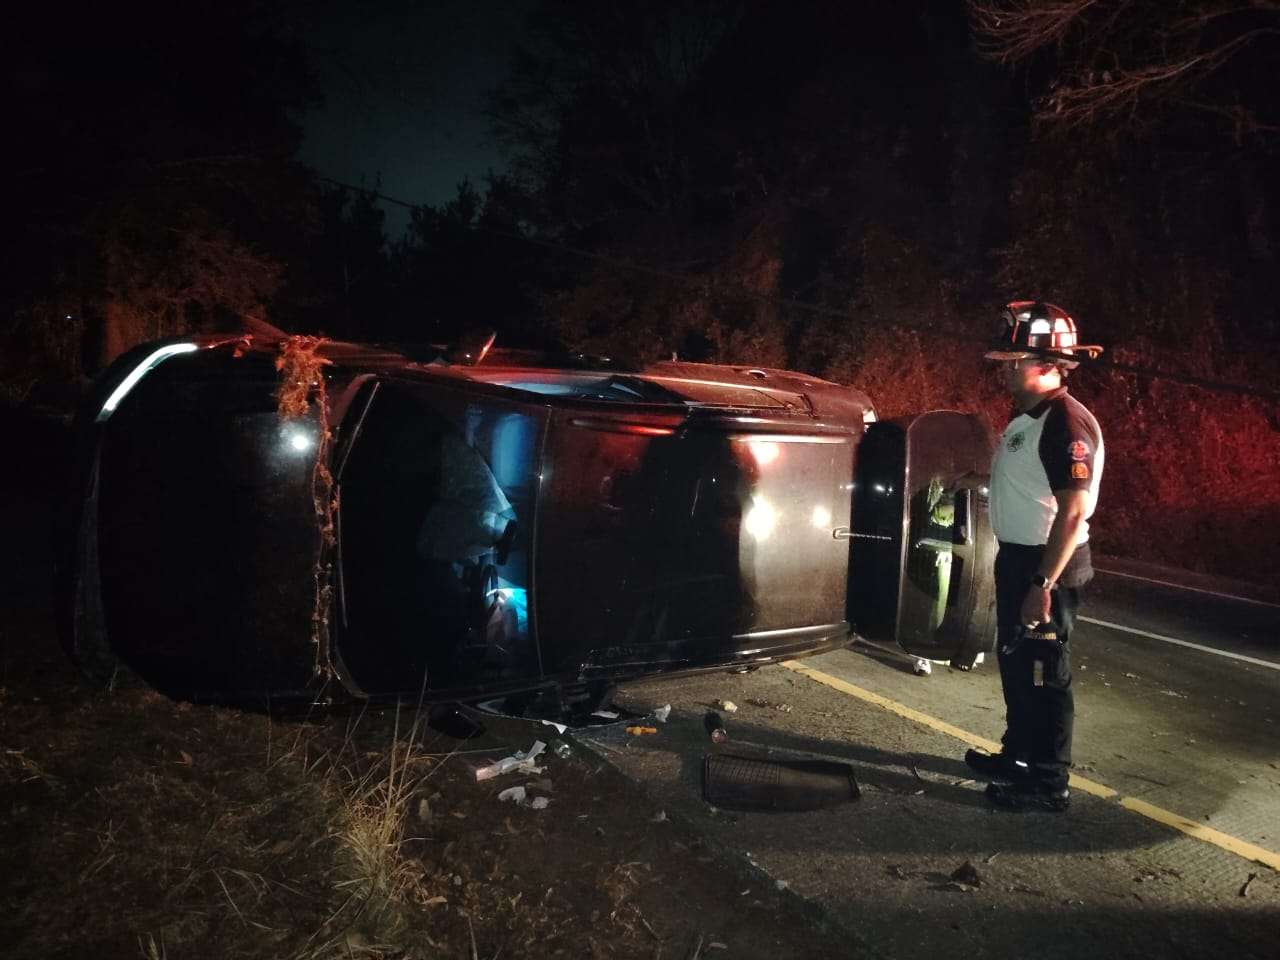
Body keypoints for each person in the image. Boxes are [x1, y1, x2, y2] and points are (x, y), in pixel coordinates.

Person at [966, 301, 1104, 811]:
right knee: (1018, 666)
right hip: (1021, 561)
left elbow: (1073, 511)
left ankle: (1048, 783)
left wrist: (1042, 585)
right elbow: (1030, 486)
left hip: (1047, 567)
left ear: (1049, 364)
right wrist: (974, 482)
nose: (1004, 369)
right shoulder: (1032, 416)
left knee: (1046, 677)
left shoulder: (1066, 423)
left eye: (1014, 360)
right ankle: (1018, 757)